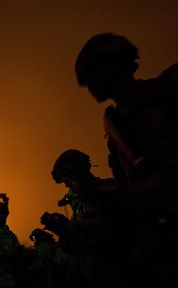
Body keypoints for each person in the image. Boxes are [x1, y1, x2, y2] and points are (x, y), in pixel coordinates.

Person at [75, 33, 178, 288]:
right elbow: (131, 190)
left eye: (90, 73)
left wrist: (163, 182)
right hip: (159, 236)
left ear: (112, 62)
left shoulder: (167, 90)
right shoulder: (116, 128)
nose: (88, 85)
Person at [48, 149, 126, 288]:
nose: (67, 185)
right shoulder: (79, 203)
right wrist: (63, 232)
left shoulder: (110, 192)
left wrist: (69, 228)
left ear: (81, 172)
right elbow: (77, 248)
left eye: (69, 180)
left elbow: (111, 234)